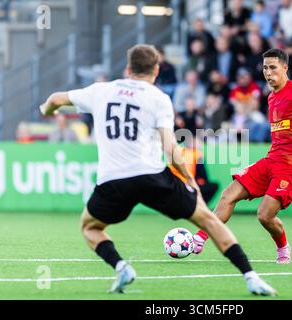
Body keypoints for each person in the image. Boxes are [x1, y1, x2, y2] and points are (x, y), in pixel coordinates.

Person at [39, 44, 276, 296]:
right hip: (152, 176)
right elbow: (171, 149)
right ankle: (251, 278)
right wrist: (189, 180)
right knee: (207, 220)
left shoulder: (100, 91)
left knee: (89, 227)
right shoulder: (158, 98)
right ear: (156, 70)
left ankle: (121, 267)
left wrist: (47, 110)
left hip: (113, 180)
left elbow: (55, 99)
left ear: (128, 68)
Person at [192, 49, 292, 264]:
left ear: (285, 68)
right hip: (271, 160)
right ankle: (198, 239)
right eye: (265, 68)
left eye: (273, 67)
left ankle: (283, 246)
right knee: (228, 194)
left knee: (264, 215)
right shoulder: (271, 97)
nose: (268, 72)